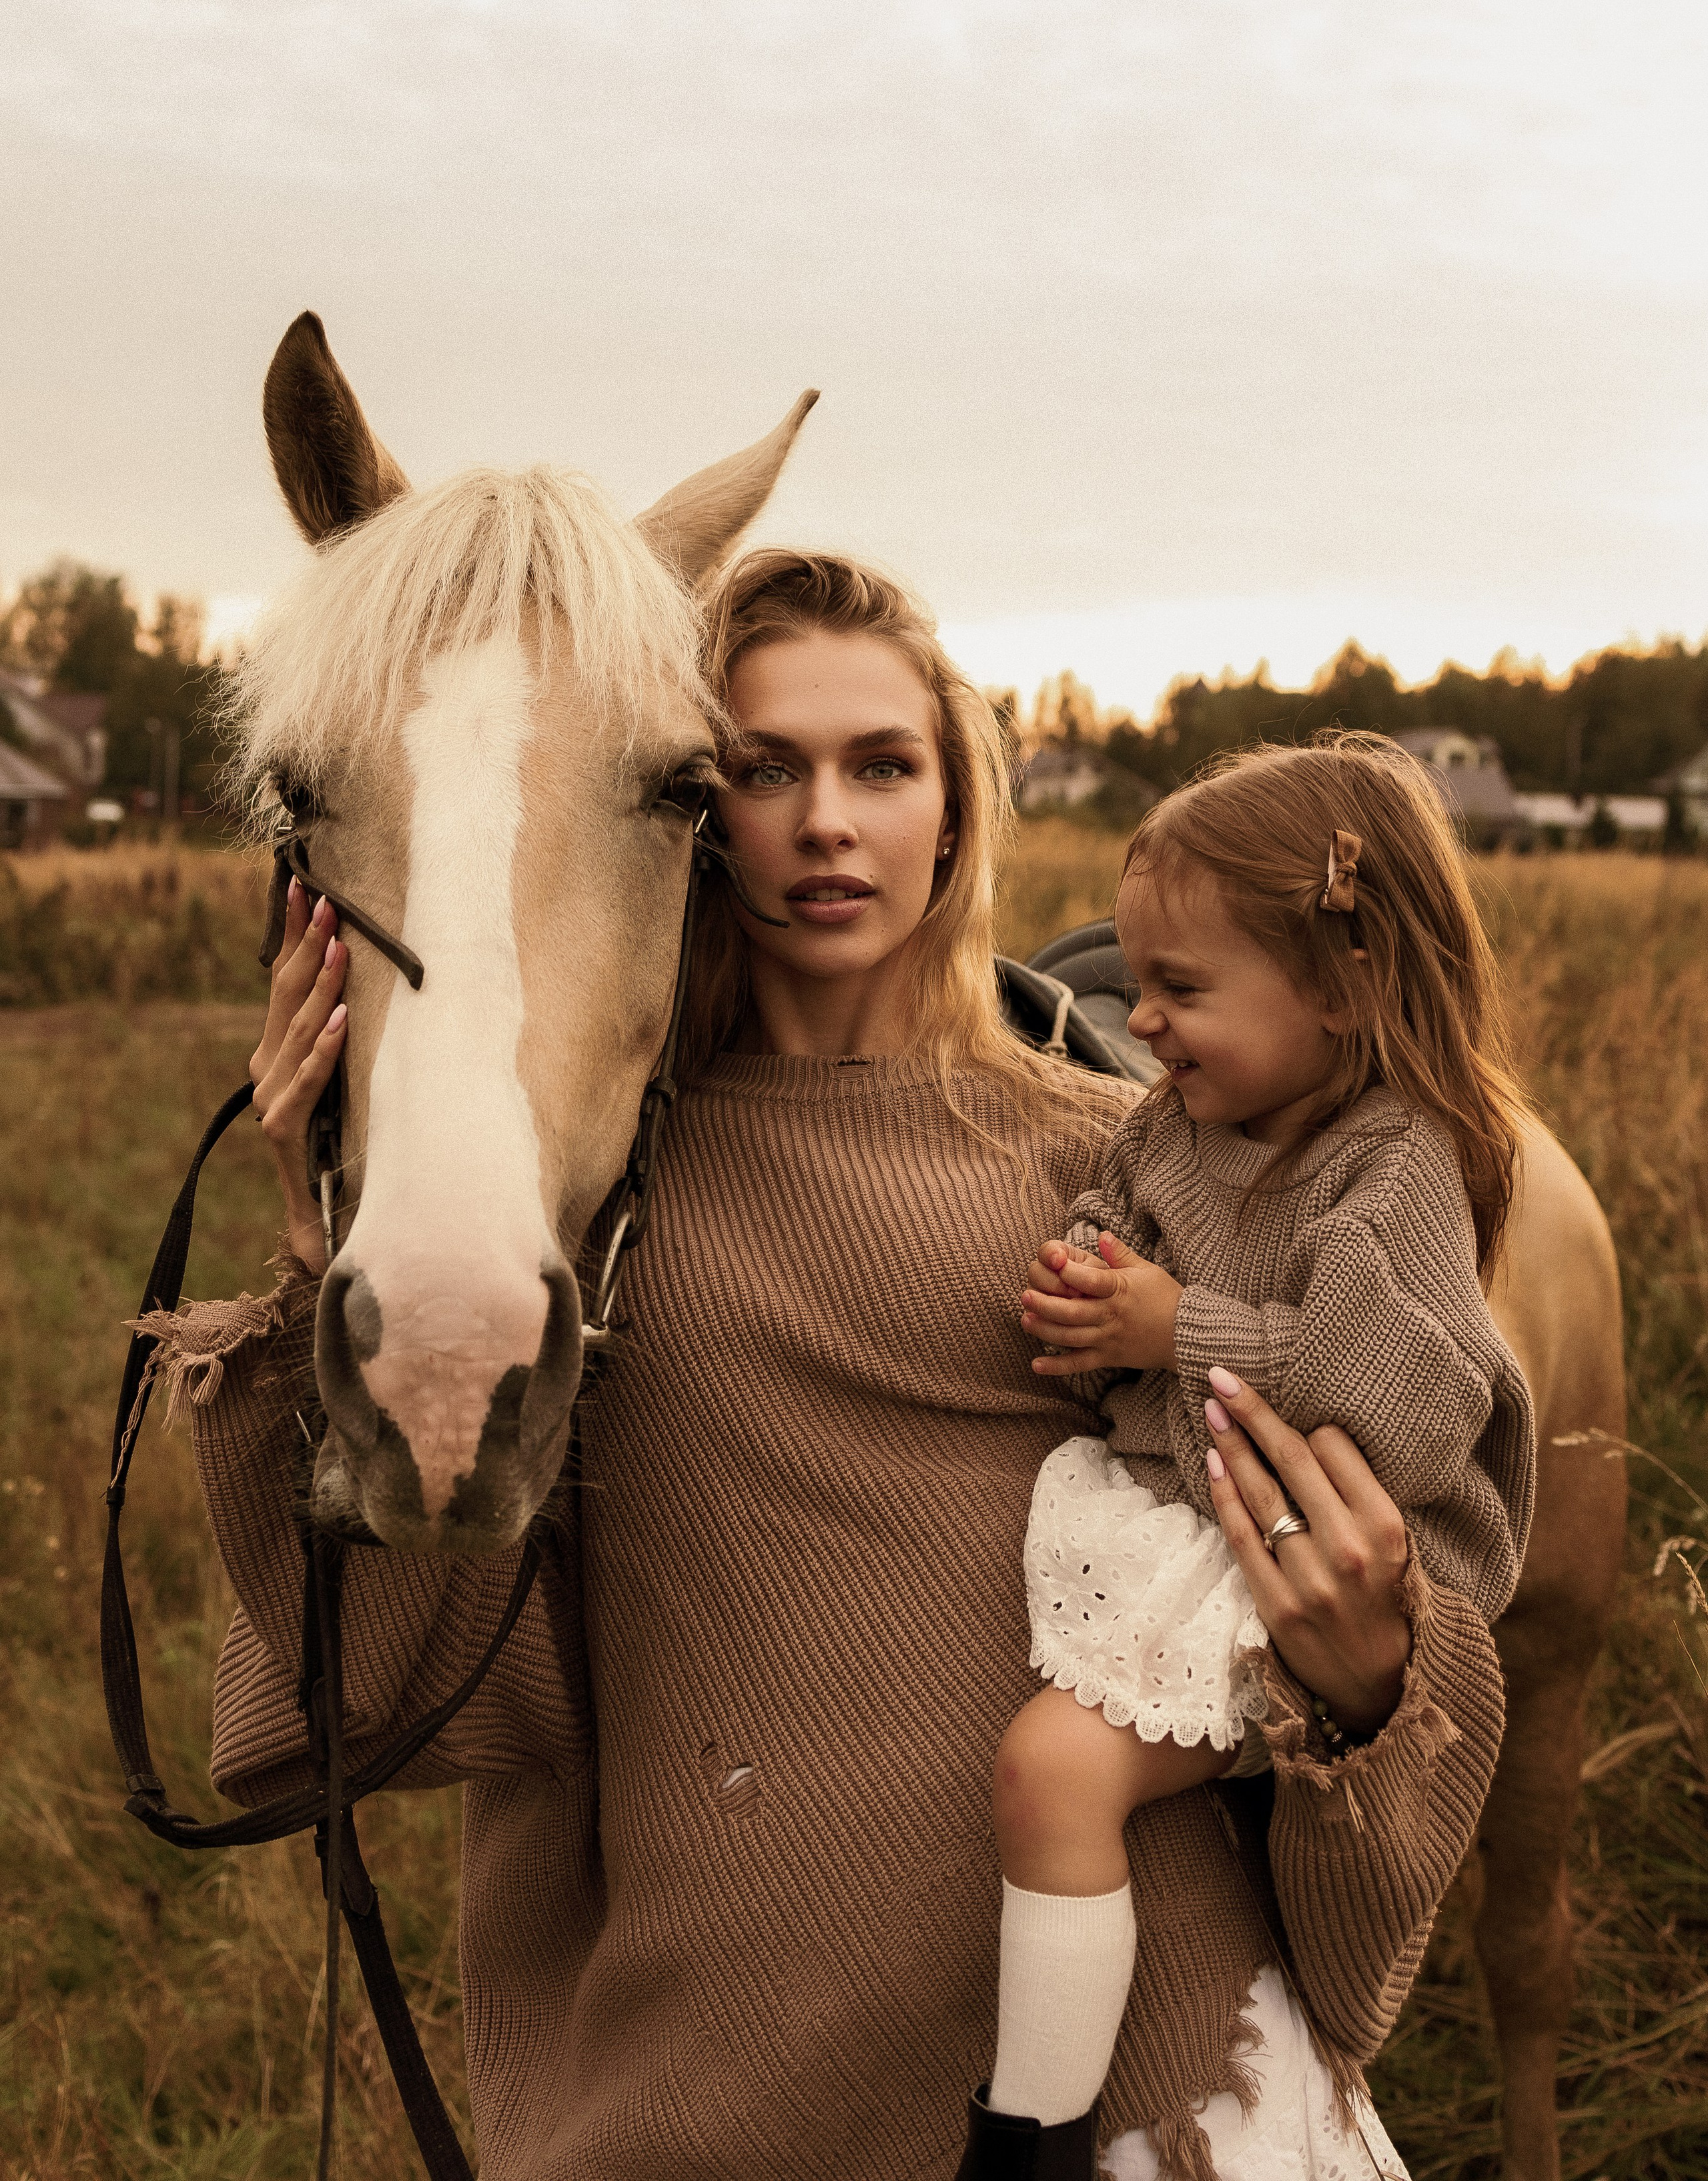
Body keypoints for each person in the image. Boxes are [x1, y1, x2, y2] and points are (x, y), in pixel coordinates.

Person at [166, 554, 1507, 2181]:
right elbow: (414, 1663)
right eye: (760, 769)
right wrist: (337, 1228)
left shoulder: (1138, 1174)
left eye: (882, 764)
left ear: (952, 804)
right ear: (681, 813)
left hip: (1135, 2066)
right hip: (711, 2068)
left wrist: (1371, 1681)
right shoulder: (571, 1208)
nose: (824, 821)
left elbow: (1382, 1513)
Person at [969, 737, 1536, 2168]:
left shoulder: (1391, 1160)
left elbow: (1399, 1404)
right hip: (1203, 1513)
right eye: (1135, 982)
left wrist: (1170, 1327)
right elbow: (1125, 1208)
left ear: (1341, 990)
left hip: (1308, 1549)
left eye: (1181, 988)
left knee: (1053, 1770)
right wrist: (1089, 1274)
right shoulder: (1177, 1124)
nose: (1142, 1018)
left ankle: (1028, 2135)